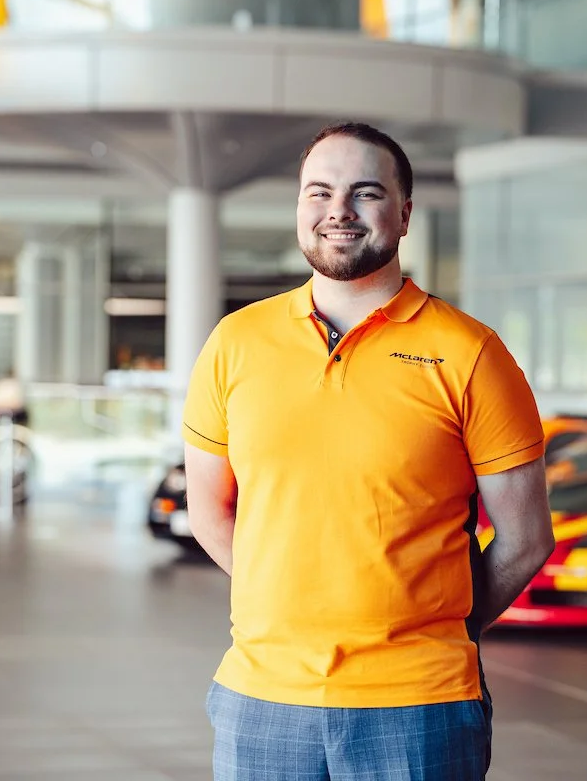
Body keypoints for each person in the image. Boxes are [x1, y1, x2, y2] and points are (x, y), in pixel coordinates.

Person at [182, 121, 555, 781]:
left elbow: (525, 538)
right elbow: (210, 510)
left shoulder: (471, 354)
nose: (338, 212)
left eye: (365, 193)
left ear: (405, 213)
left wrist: (443, 629)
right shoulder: (235, 343)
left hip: (419, 702)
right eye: (318, 193)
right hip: (263, 696)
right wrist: (286, 604)